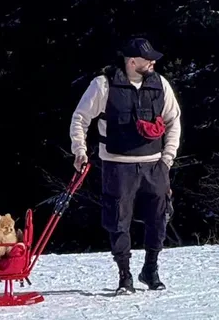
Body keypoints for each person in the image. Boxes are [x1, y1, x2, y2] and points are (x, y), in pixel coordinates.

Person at [69, 37, 181, 294]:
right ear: (131, 61)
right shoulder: (103, 85)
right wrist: (80, 150)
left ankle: (150, 269)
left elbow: (174, 120)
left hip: (155, 165)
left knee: (159, 218)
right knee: (118, 221)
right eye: (147, 59)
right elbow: (80, 118)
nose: (153, 62)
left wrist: (167, 158)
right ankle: (125, 276)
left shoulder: (160, 84)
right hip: (117, 166)